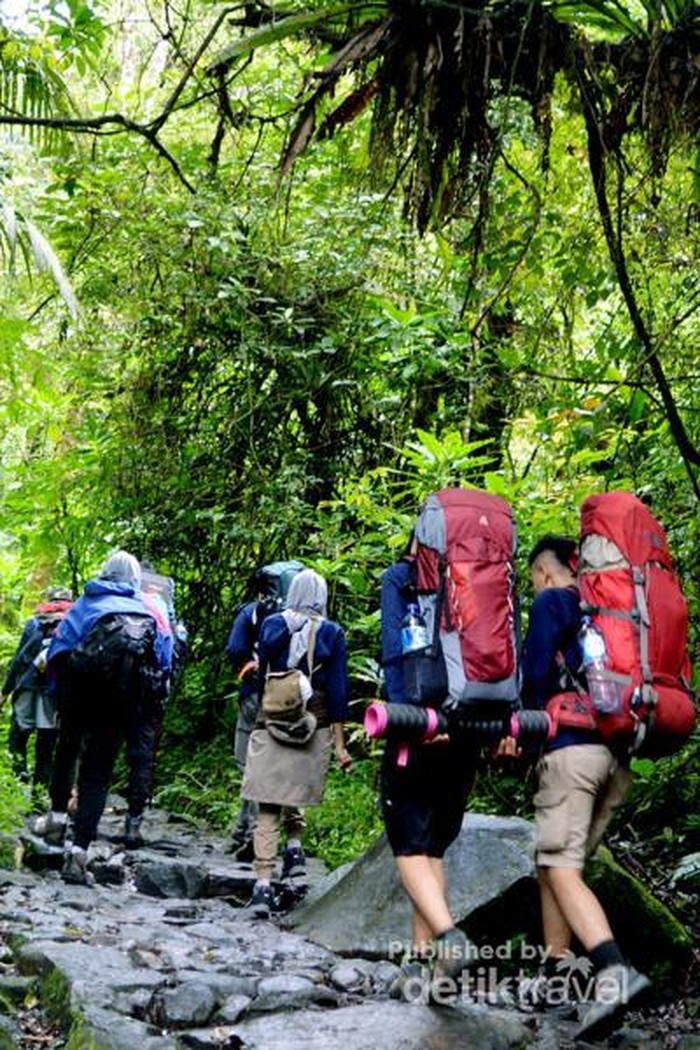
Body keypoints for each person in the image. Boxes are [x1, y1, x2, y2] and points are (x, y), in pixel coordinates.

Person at [520, 535, 650, 1039]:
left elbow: (534, 674)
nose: (536, 589)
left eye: (533, 580)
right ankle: (556, 972)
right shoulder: (614, 609)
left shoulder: (555, 601)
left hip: (572, 750)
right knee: (554, 865)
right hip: (617, 757)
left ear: (547, 573)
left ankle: (614, 970)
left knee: (560, 866)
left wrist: (522, 729)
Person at [32, 551, 172, 884]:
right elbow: (163, 661)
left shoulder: (87, 604)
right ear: (134, 578)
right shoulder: (145, 610)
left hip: (79, 697)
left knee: (67, 750)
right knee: (98, 771)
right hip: (121, 704)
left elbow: (59, 650)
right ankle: (78, 854)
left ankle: (56, 819)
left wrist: (56, 692)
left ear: (106, 572)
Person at [378, 545, 478, 998]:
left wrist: (410, 718)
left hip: (420, 726)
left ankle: (448, 939)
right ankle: (423, 966)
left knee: (407, 844)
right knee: (432, 845)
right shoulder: (479, 581)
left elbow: (394, 650)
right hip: (470, 724)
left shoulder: (401, 577)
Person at [242, 569, 352, 919]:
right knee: (294, 792)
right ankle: (294, 852)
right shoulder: (333, 634)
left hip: (271, 719)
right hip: (313, 723)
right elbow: (338, 692)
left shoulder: (273, 625)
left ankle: (261, 886)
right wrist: (339, 743)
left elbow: (261, 677)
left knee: (268, 806)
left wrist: (262, 714)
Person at [225, 562, 303, 860]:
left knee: (249, 762)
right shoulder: (310, 618)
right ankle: (251, 830)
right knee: (282, 764)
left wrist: (248, 667)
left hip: (256, 696)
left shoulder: (253, 611)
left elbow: (234, 648)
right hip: (294, 699)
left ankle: (255, 834)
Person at [1, 588, 73, 801]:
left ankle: (18, 781)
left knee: (18, 736)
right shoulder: (75, 621)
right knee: (46, 743)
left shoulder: (37, 620)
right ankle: (39, 795)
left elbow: (22, 656)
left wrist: (6, 690)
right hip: (54, 691)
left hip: (28, 686)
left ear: (50, 600)